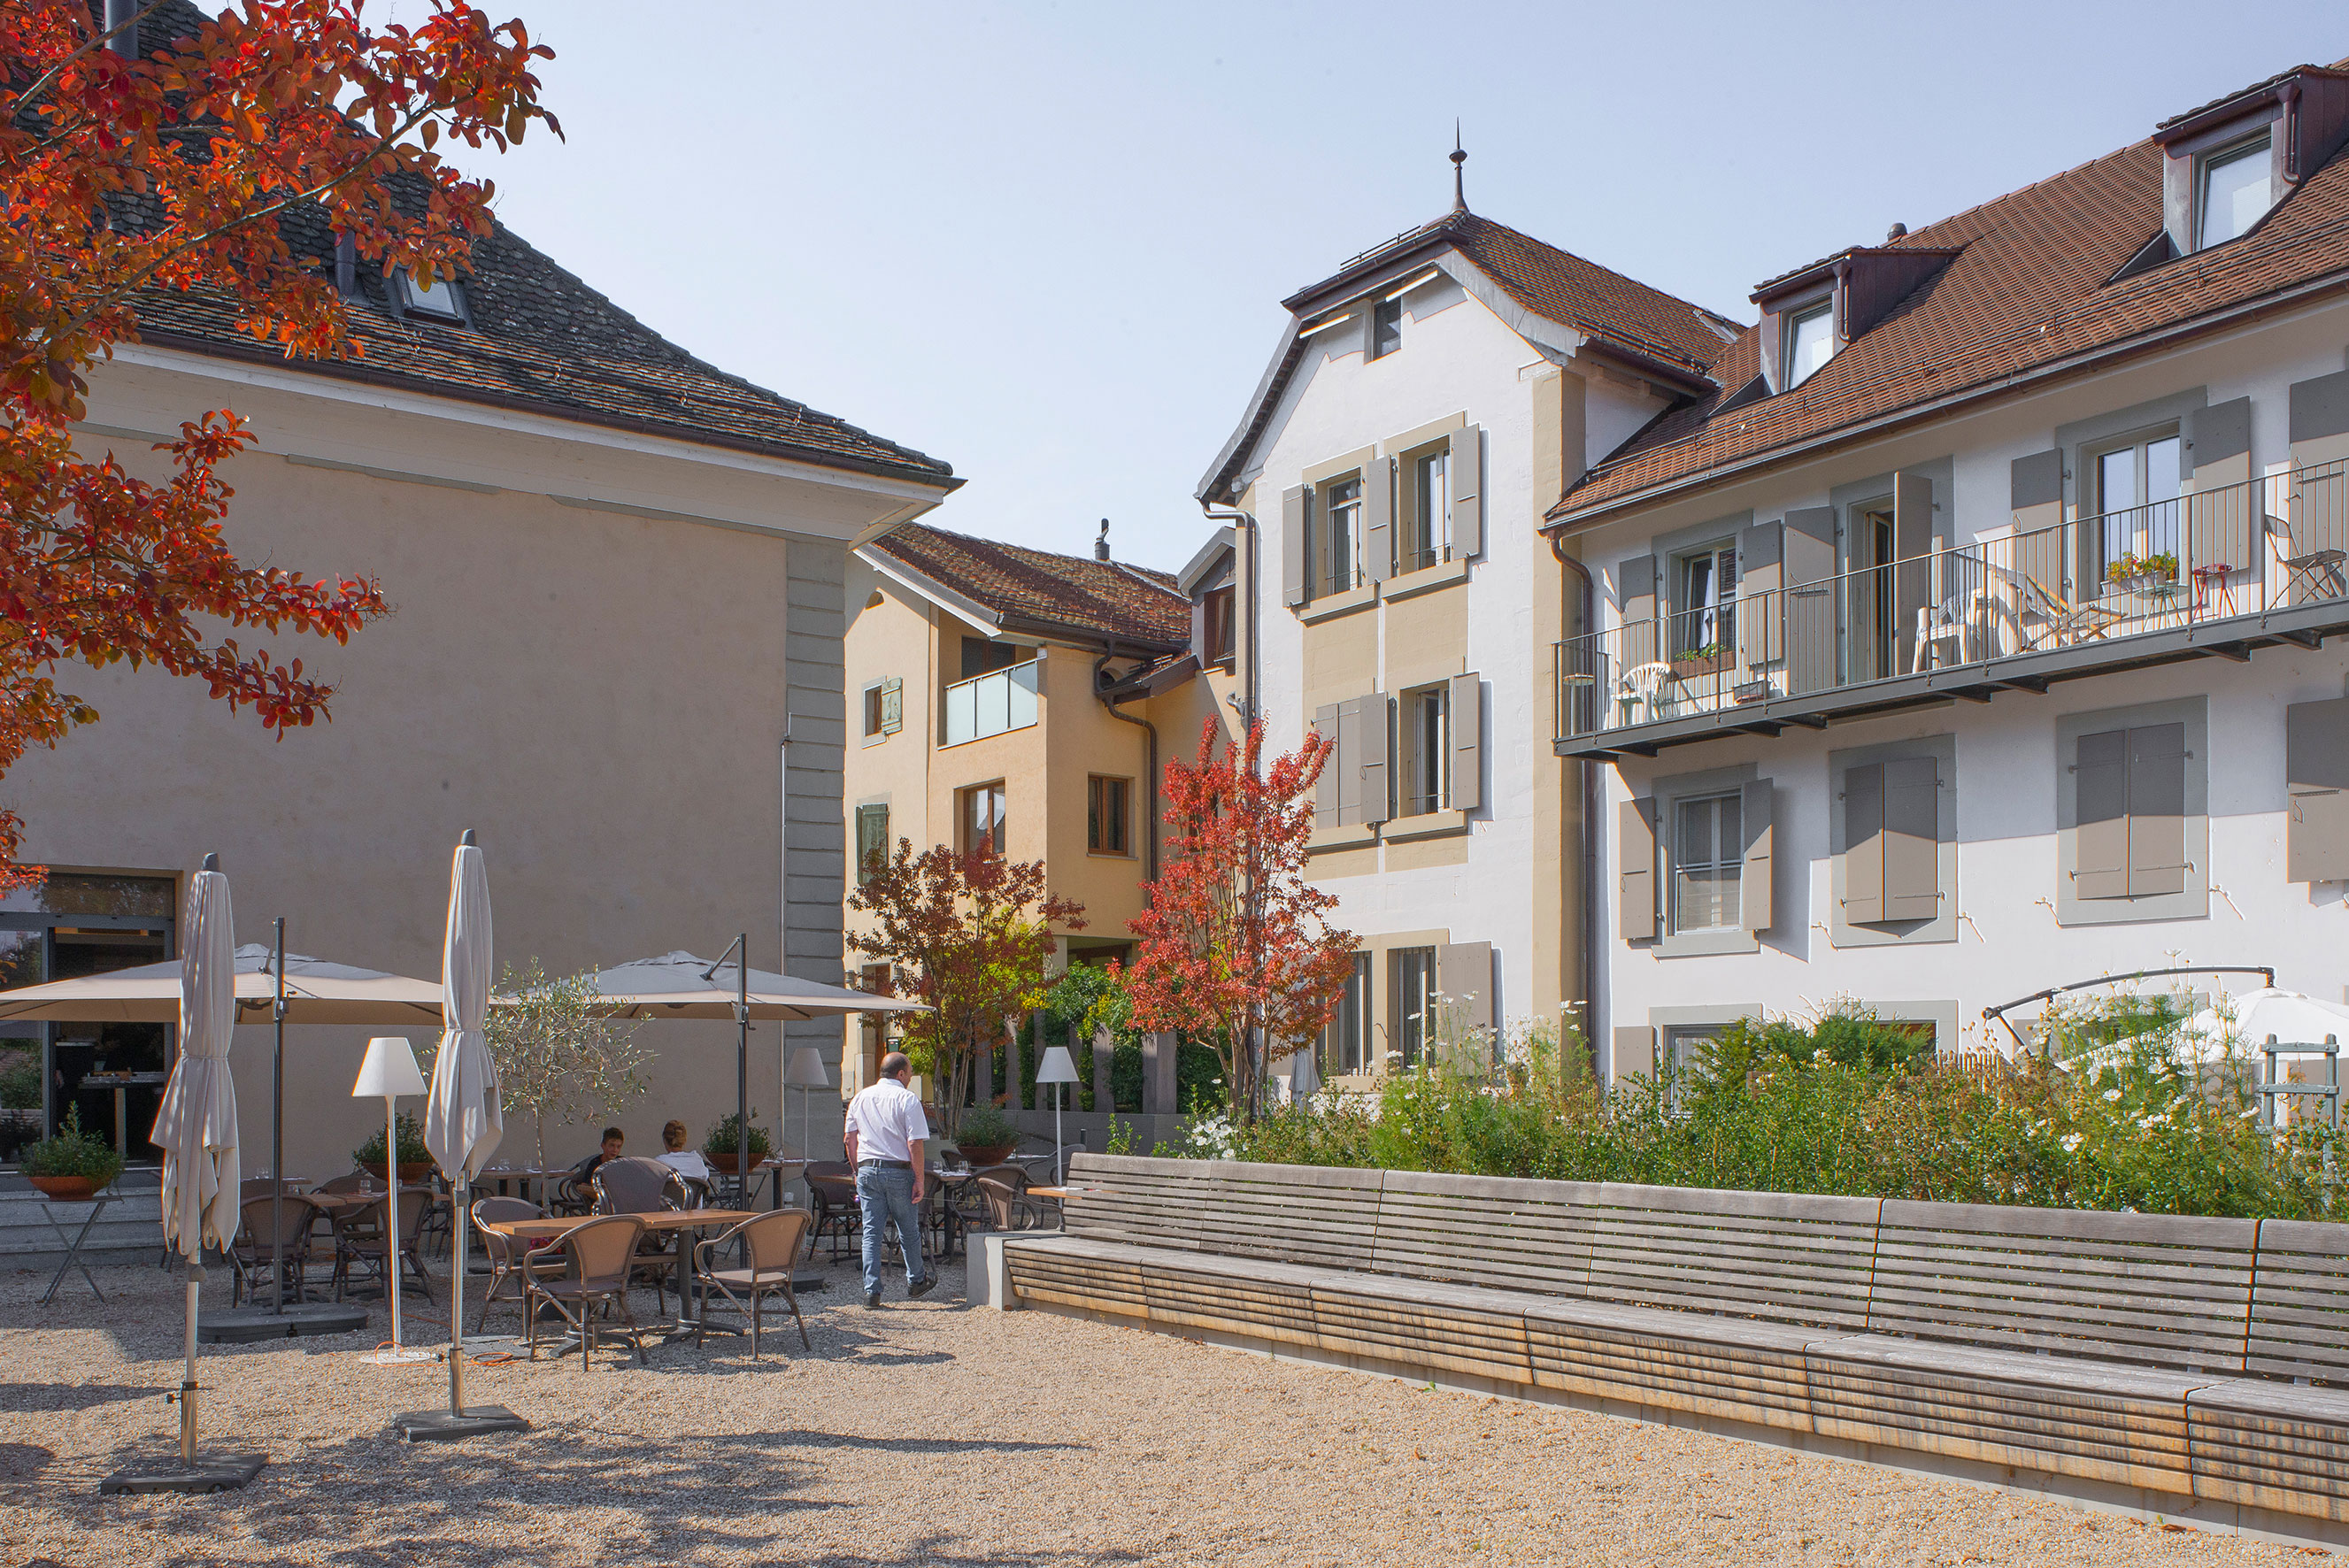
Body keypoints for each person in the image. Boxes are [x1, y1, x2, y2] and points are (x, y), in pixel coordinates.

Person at [843, 1050, 934, 1308]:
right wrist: (919, 1179)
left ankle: (872, 1290)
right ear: (901, 1073)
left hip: (868, 1168)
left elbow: (850, 1139)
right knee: (908, 1229)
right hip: (898, 1170)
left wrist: (857, 1169)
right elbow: (914, 1142)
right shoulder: (907, 1099)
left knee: (871, 1232)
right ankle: (916, 1281)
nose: (911, 1078)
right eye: (910, 1073)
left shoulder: (860, 1097)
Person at [658, 1118, 714, 1184]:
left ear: (664, 1140)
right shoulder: (697, 1161)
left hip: (668, 1194)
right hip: (692, 1194)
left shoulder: (659, 1164)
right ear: (684, 1140)